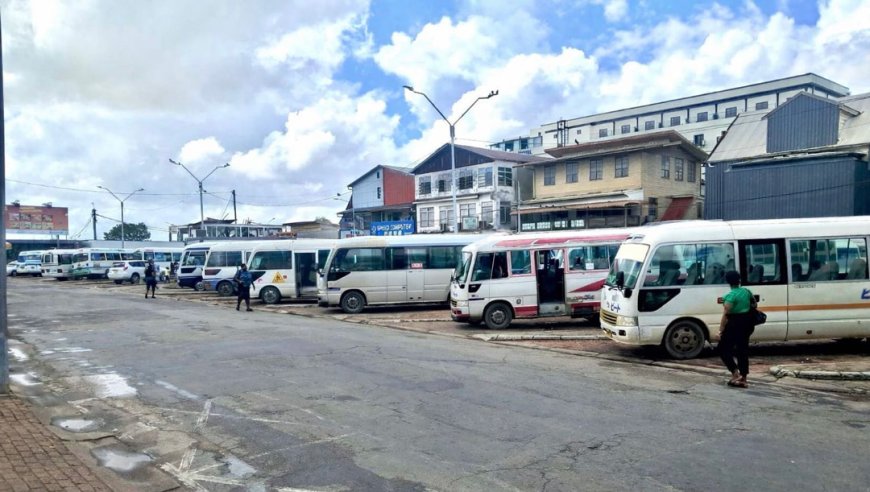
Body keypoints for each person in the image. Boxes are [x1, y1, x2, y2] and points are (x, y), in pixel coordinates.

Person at [719, 270, 754, 388]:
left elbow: (726, 314)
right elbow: (754, 305)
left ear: (728, 281)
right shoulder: (747, 291)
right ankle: (743, 378)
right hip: (748, 323)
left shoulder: (730, 296)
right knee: (742, 349)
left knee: (723, 349)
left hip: (734, 323)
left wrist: (720, 330)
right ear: (739, 280)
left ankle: (735, 373)